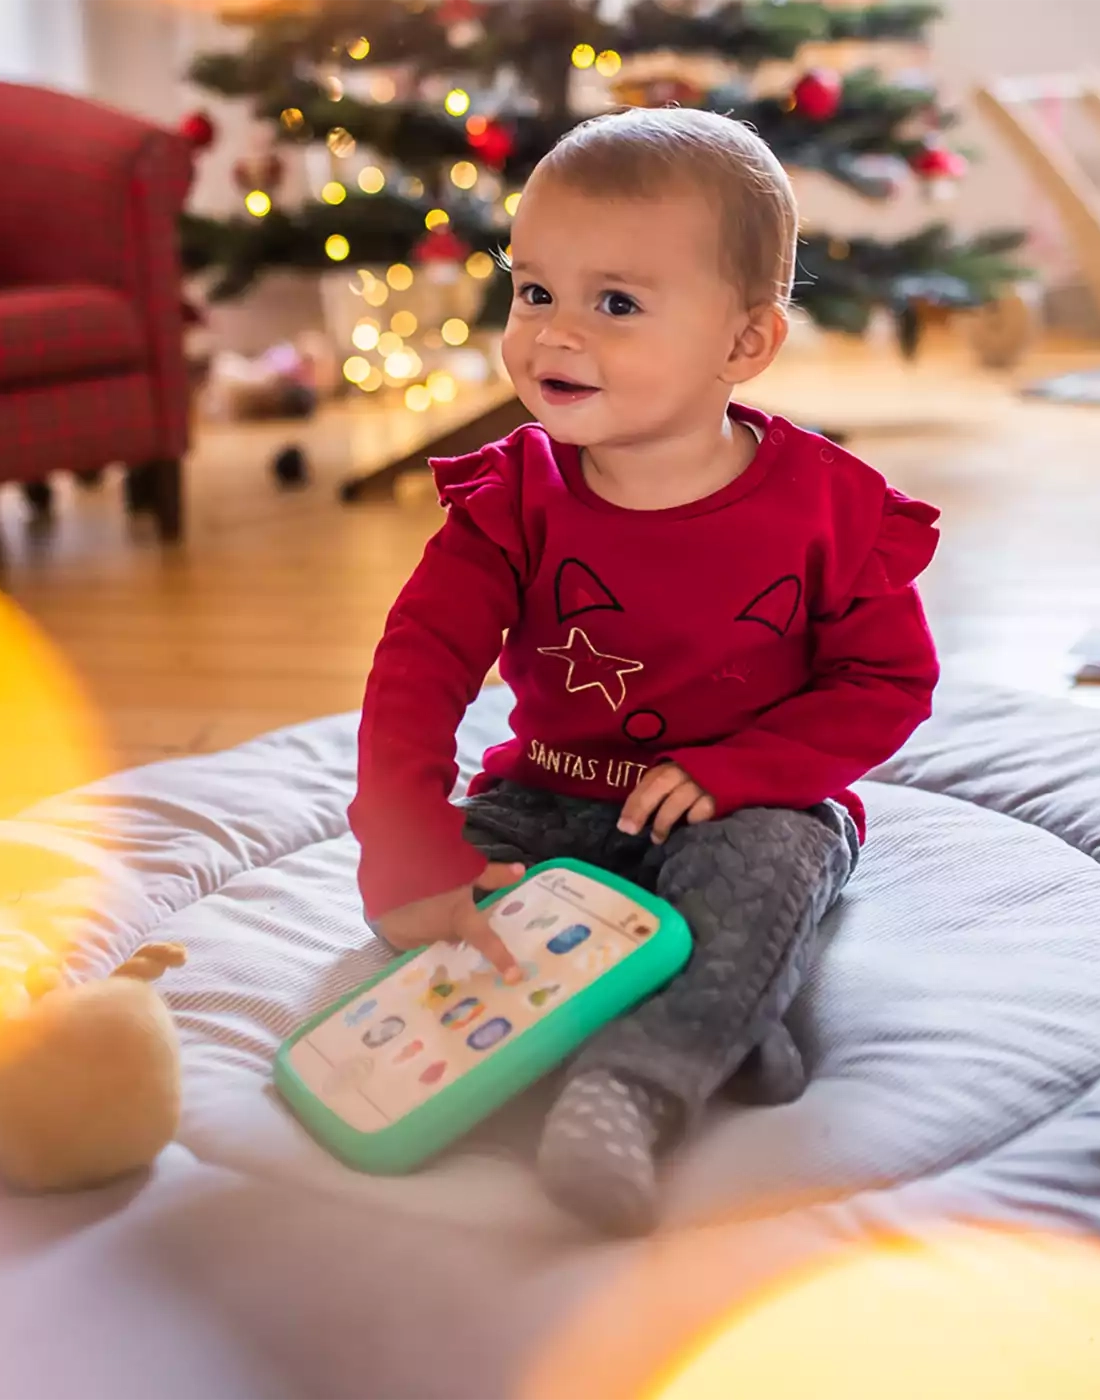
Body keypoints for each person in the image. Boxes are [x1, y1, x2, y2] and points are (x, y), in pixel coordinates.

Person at [348, 107, 941, 1235]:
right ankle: (704, 1027)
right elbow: (416, 666)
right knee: (463, 912)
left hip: (744, 801)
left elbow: (886, 680)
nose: (554, 336)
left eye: (613, 303)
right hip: (550, 790)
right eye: (533, 292)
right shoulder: (510, 498)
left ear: (742, 344)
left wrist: (748, 765)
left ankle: (633, 1083)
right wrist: (407, 836)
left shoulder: (828, 508)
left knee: (764, 875)